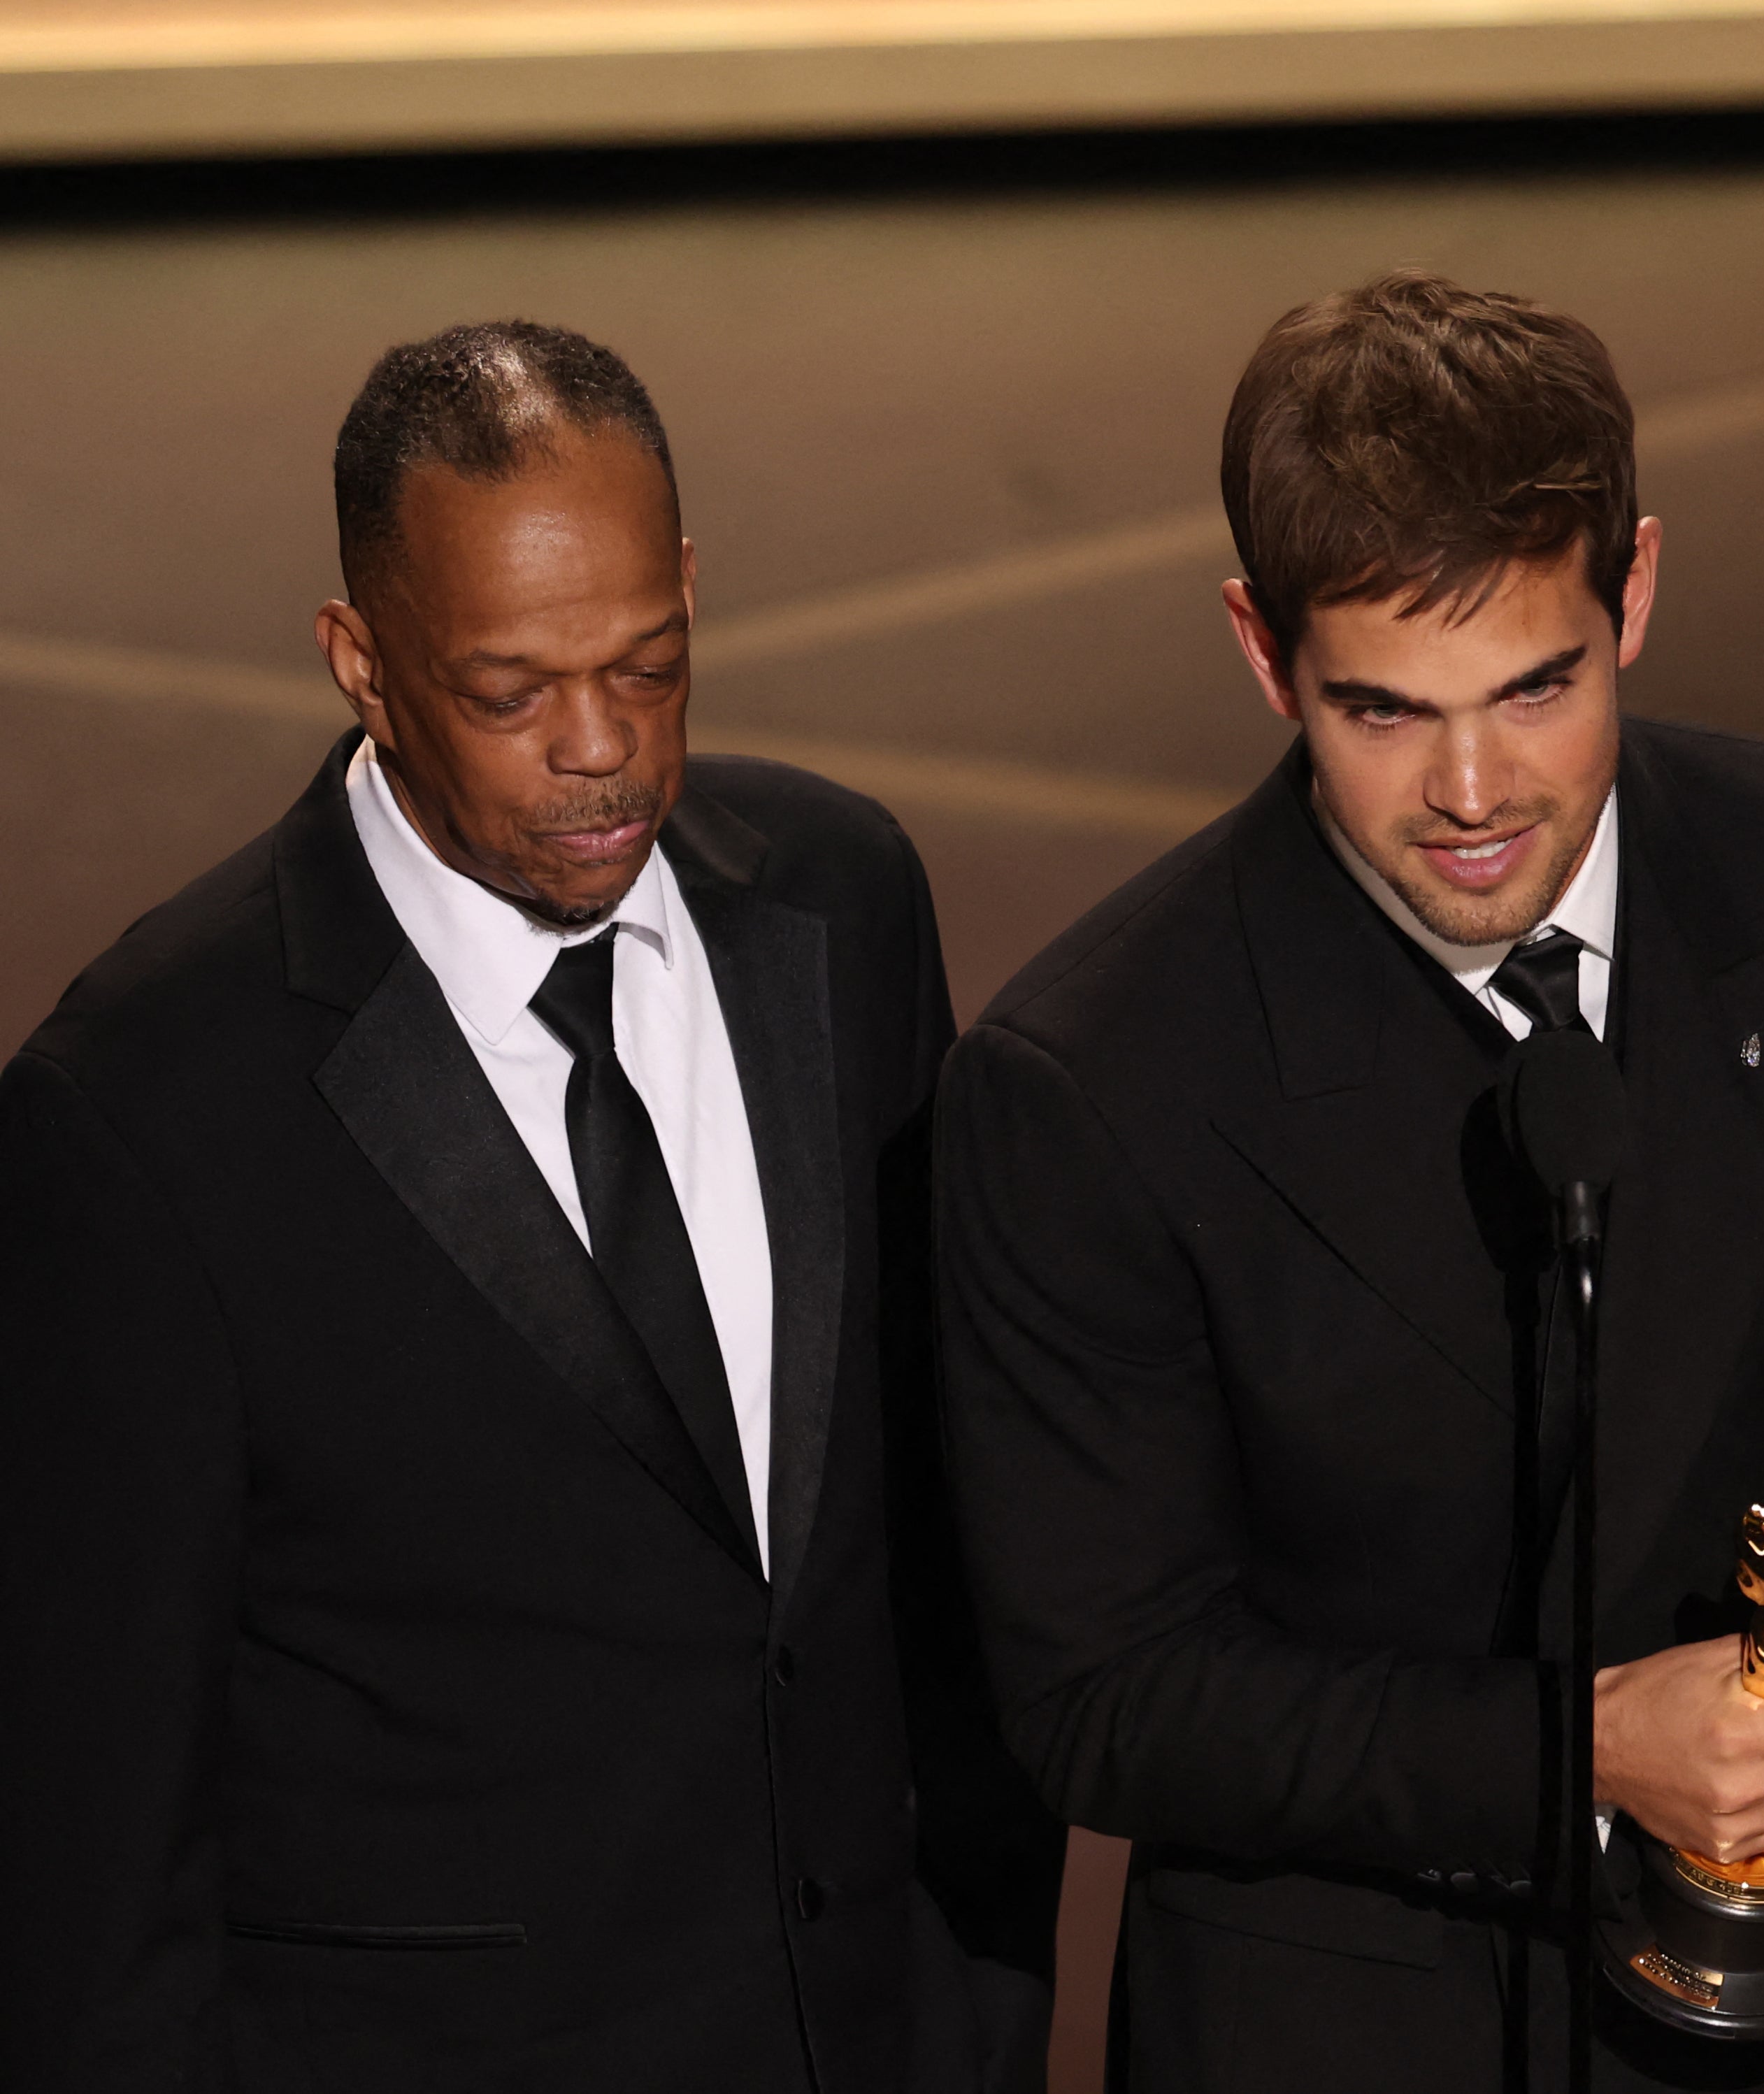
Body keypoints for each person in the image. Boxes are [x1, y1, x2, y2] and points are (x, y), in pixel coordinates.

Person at [933, 270, 1764, 2093]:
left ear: (1638, 592)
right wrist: (1576, 1748)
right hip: (1355, 2015)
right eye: (1379, 710)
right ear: (1259, 650)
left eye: (1537, 686)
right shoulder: (1084, 1084)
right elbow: (1103, 1694)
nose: (1470, 790)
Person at [0, 321, 1061, 2092]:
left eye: (649, 664)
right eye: (508, 693)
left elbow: (915, 1545)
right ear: (360, 659)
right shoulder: (141, 1112)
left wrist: (979, 1998)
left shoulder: (842, 905)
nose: (601, 752)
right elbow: (90, 1840)